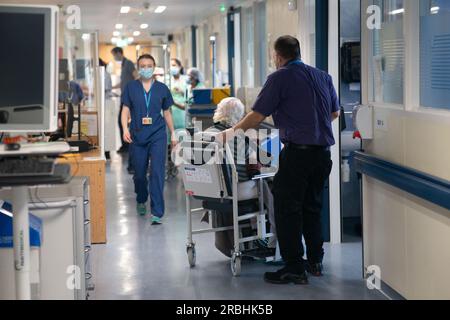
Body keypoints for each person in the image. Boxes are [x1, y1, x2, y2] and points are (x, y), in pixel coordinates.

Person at [218, 36, 340, 285]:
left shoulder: (280, 77)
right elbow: (334, 113)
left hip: (298, 154)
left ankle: (294, 267)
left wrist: (229, 133)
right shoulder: (323, 76)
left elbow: (256, 115)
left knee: (287, 209)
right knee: (312, 207)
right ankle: (315, 261)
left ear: (278, 56)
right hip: (323, 155)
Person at [205, 97, 276, 258]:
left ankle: (253, 233)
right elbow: (265, 159)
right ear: (240, 117)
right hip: (236, 190)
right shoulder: (239, 136)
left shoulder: (206, 133)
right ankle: (268, 238)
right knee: (268, 183)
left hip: (212, 190)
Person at [121, 54, 177, 224]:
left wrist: (173, 132)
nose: (146, 68)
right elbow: (125, 109)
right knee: (139, 174)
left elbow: (167, 112)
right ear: (138, 68)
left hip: (158, 134)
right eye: (142, 65)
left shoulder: (162, 88)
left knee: (157, 172)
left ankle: (157, 212)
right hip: (137, 134)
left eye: (149, 65)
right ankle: (141, 198)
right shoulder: (131, 87)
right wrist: (124, 128)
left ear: (154, 67)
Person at [111, 47, 138, 155]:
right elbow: (123, 82)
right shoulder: (123, 65)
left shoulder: (129, 63)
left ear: (119, 53)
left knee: (124, 122)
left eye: (114, 55)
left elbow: (136, 76)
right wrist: (111, 88)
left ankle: (127, 145)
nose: (114, 57)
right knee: (122, 122)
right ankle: (125, 144)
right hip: (124, 97)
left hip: (129, 98)